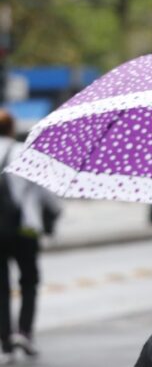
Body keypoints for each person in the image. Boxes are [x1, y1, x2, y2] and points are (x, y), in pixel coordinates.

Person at [0, 110, 61, 365]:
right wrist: (53, 214)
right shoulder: (24, 152)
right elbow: (47, 194)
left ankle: (6, 341)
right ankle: (25, 332)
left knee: (1, 287)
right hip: (25, 229)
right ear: (12, 129)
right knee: (29, 281)